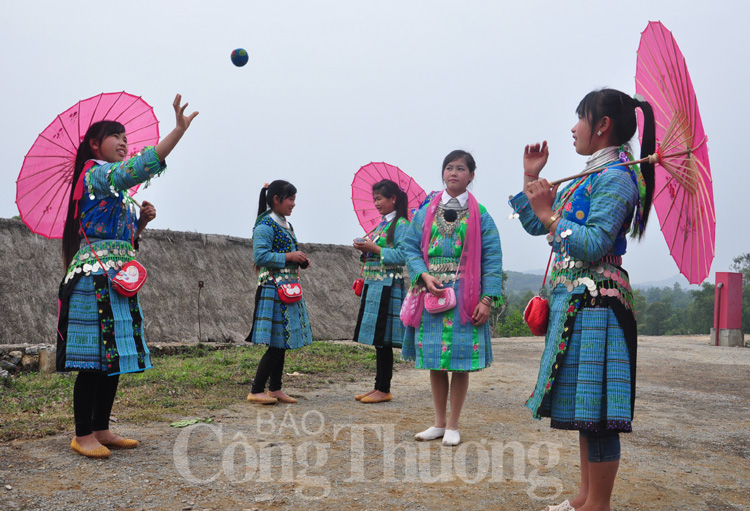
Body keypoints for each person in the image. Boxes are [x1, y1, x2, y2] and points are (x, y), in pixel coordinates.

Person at [509, 88, 655, 511]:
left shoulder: (618, 178)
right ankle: (586, 497)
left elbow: (590, 245)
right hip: (578, 304)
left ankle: (599, 504)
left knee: (601, 414)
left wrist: (549, 215)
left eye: (579, 119)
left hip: (599, 307)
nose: (573, 128)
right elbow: (541, 229)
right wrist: (530, 181)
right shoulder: (591, 176)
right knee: (587, 409)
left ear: (602, 125)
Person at [57, 95, 198, 458]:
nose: (123, 142)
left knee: (114, 355)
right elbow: (136, 170)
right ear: (93, 144)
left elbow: (124, 240)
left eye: (125, 138)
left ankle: (101, 428)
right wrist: (177, 132)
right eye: (115, 136)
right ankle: (82, 433)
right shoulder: (95, 173)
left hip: (117, 277)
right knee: (92, 360)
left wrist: (141, 223)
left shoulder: (112, 192)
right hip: (93, 278)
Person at [401, 150, 503, 446]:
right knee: (435, 360)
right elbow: (410, 247)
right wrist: (422, 274)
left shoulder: (481, 214)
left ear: (471, 176)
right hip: (431, 292)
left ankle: (454, 425)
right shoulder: (426, 211)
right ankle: (438, 423)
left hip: (465, 295)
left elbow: (493, 258)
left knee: (459, 361)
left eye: (460, 168)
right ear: (442, 173)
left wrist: (487, 299)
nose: (453, 173)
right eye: (449, 168)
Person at [246, 180, 313, 405]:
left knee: (282, 341)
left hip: (286, 289)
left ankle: (275, 388)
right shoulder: (265, 225)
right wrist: (290, 257)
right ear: (276, 199)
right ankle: (256, 390)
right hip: (271, 289)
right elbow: (261, 257)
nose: (293, 204)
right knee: (276, 344)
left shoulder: (286, 225)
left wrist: (300, 261)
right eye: (290, 199)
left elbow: (286, 254)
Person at [351, 179, 409, 404]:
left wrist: (374, 248)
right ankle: (378, 387)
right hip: (375, 284)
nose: (376, 203)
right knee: (378, 339)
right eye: (374, 199)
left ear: (393, 199)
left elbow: (404, 256)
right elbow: (378, 251)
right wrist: (364, 248)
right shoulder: (382, 225)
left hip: (389, 286)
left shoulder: (402, 225)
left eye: (379, 199)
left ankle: (383, 388)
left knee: (384, 338)